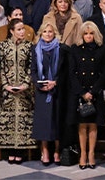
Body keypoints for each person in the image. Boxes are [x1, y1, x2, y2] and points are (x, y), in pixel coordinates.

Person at [0, 18, 36, 164]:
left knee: (24, 119)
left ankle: (21, 151)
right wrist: (6, 85)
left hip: (24, 90)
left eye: (23, 28)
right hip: (8, 89)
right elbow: (2, 67)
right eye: (19, 29)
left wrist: (25, 84)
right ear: (11, 31)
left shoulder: (30, 46)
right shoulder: (3, 46)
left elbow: (32, 67)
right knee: (8, 119)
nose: (22, 31)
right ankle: (10, 150)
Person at [70, 21, 105, 168]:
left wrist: (93, 91)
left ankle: (91, 153)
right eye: (86, 33)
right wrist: (83, 92)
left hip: (95, 92)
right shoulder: (75, 49)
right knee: (82, 125)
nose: (88, 36)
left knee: (93, 124)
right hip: (80, 93)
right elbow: (72, 73)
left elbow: (104, 73)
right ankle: (82, 153)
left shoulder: (102, 49)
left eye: (91, 33)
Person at [32, 21, 67, 165]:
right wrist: (38, 83)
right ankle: (45, 150)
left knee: (57, 120)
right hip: (41, 91)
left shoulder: (62, 49)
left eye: (50, 32)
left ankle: (57, 151)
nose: (47, 34)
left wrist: (55, 82)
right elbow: (33, 70)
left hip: (57, 90)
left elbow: (65, 71)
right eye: (45, 32)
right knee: (43, 122)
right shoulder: (35, 49)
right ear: (41, 33)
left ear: (55, 34)